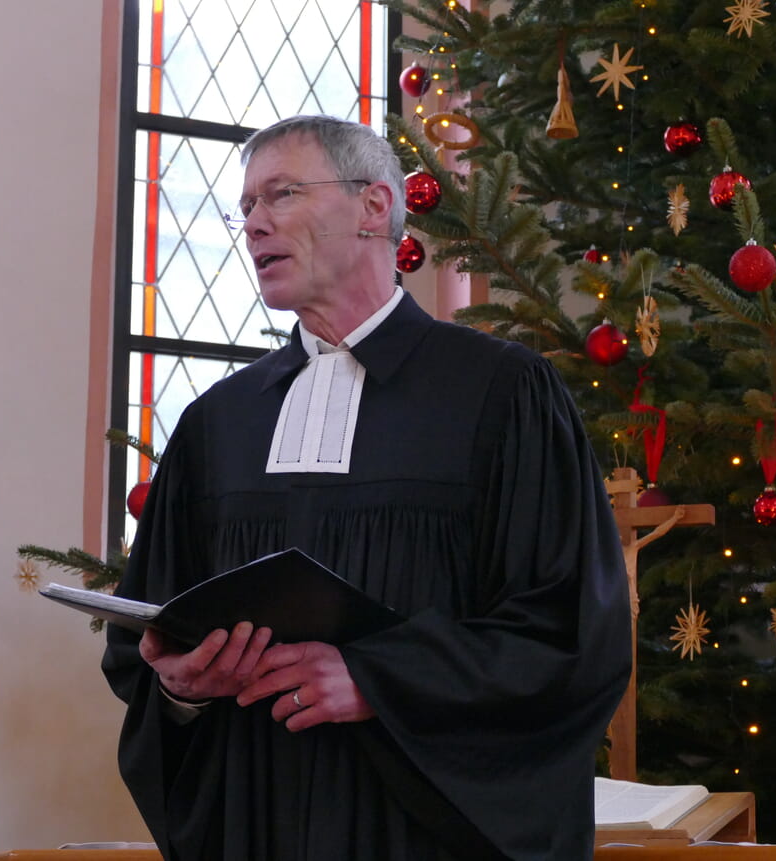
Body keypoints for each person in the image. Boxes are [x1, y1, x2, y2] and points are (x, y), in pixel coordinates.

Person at [102, 114, 631, 861]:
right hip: (257, 821)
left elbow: (568, 634)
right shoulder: (217, 423)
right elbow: (147, 648)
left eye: (280, 194)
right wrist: (182, 686)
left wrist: (375, 679)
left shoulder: (501, 394)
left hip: (424, 835)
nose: (254, 224)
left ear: (375, 207)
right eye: (245, 206)